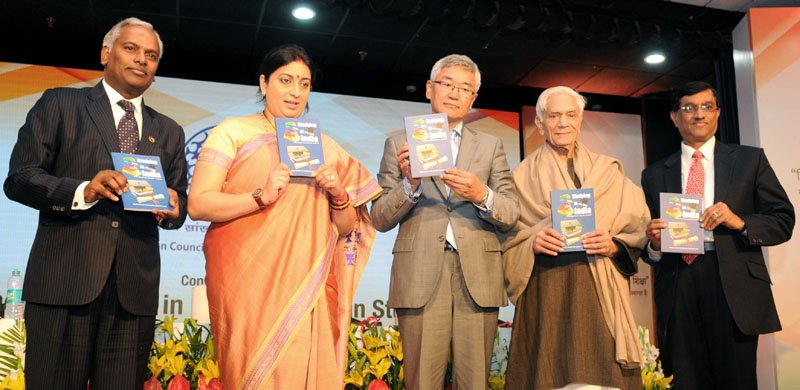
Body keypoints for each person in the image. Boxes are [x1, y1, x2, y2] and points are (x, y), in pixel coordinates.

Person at [4, 17, 187, 388]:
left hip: (132, 296)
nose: (142, 60)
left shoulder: (169, 130)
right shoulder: (60, 103)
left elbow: (179, 201)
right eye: (131, 49)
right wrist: (83, 191)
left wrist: (174, 209)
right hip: (63, 285)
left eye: (151, 55)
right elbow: (20, 178)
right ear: (106, 54)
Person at [187, 44, 382, 389]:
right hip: (246, 285)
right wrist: (259, 197)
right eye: (286, 80)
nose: (295, 92)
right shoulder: (233, 131)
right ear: (264, 83)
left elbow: (346, 229)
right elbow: (198, 204)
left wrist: (339, 195)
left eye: (304, 84)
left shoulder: (324, 147)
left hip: (307, 288)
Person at [370, 54, 519, 389]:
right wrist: (411, 184)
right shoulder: (399, 144)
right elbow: (379, 217)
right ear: (429, 89)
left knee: (474, 381)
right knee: (422, 380)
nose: (454, 93)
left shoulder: (491, 145)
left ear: (473, 98)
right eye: (447, 84)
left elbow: (511, 212)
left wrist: (482, 194)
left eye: (464, 88)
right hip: (420, 275)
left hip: (478, 276)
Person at [640, 81, 794, 389]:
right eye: (688, 108)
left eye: (706, 107)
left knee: (735, 379)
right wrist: (654, 244)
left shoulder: (750, 160)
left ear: (718, 113)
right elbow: (646, 246)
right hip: (678, 282)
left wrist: (739, 221)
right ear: (674, 117)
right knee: (684, 378)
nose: (698, 114)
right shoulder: (654, 174)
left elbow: (782, 220)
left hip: (731, 282)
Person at [502, 86, 648, 390]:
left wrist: (612, 245)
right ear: (540, 123)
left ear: (580, 120)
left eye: (571, 115)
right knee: (548, 377)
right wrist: (532, 242)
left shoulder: (608, 171)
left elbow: (637, 227)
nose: (563, 123)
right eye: (554, 116)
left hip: (600, 292)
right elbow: (504, 238)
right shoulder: (520, 177)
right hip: (547, 289)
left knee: (603, 378)